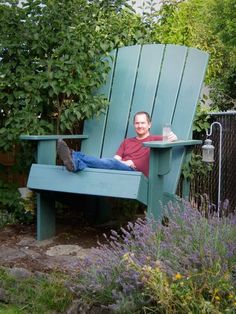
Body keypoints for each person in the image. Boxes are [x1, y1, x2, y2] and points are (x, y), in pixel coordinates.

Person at [57, 111, 177, 177]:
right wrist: (126, 163)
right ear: (134, 124)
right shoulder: (127, 141)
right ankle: (75, 162)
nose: (139, 126)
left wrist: (173, 137)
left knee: (111, 162)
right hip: (121, 169)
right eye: (137, 123)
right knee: (111, 162)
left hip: (136, 174)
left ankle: (74, 156)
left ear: (149, 124)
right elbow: (116, 159)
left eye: (143, 123)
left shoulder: (155, 139)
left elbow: (172, 139)